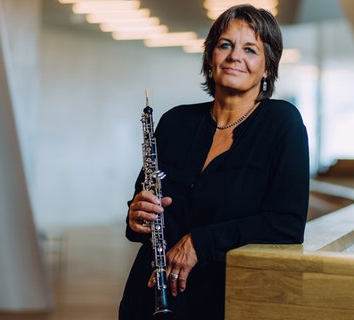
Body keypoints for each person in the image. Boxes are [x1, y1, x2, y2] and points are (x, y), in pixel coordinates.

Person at [119, 4, 309, 320]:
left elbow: (286, 224)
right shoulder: (175, 121)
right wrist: (135, 217)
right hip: (149, 296)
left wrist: (201, 242)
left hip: (220, 301)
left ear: (267, 68)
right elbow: (144, 213)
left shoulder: (282, 123)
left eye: (250, 49)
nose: (235, 56)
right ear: (211, 57)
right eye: (225, 45)